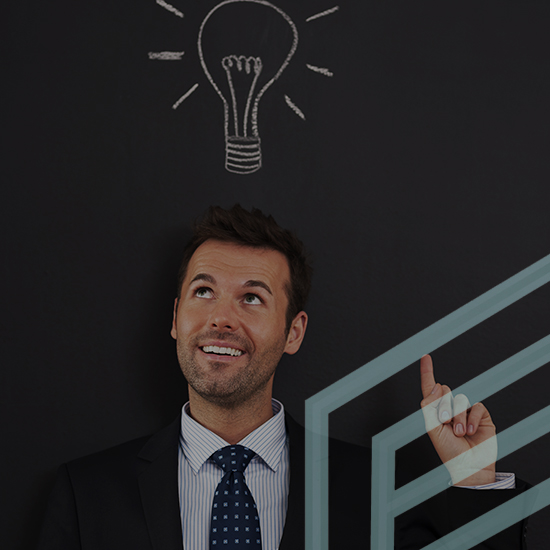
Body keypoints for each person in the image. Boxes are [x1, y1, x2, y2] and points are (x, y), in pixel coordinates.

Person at [37, 205, 528, 549]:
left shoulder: (376, 491)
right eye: (203, 291)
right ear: (175, 318)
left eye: (252, 298)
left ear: (294, 331)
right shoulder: (87, 495)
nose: (221, 319)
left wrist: (475, 482)